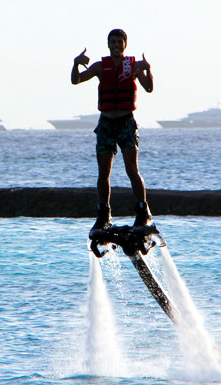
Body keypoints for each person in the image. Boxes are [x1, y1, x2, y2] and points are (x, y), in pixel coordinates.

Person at [71, 28, 154, 235]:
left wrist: (147, 70)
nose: (116, 45)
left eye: (120, 42)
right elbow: (76, 80)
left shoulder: (133, 66)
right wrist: (75, 64)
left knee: (131, 169)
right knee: (103, 173)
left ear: (125, 44)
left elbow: (149, 88)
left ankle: (143, 211)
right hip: (106, 124)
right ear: (108, 44)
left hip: (126, 122)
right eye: (113, 42)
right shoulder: (100, 66)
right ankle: (103, 215)